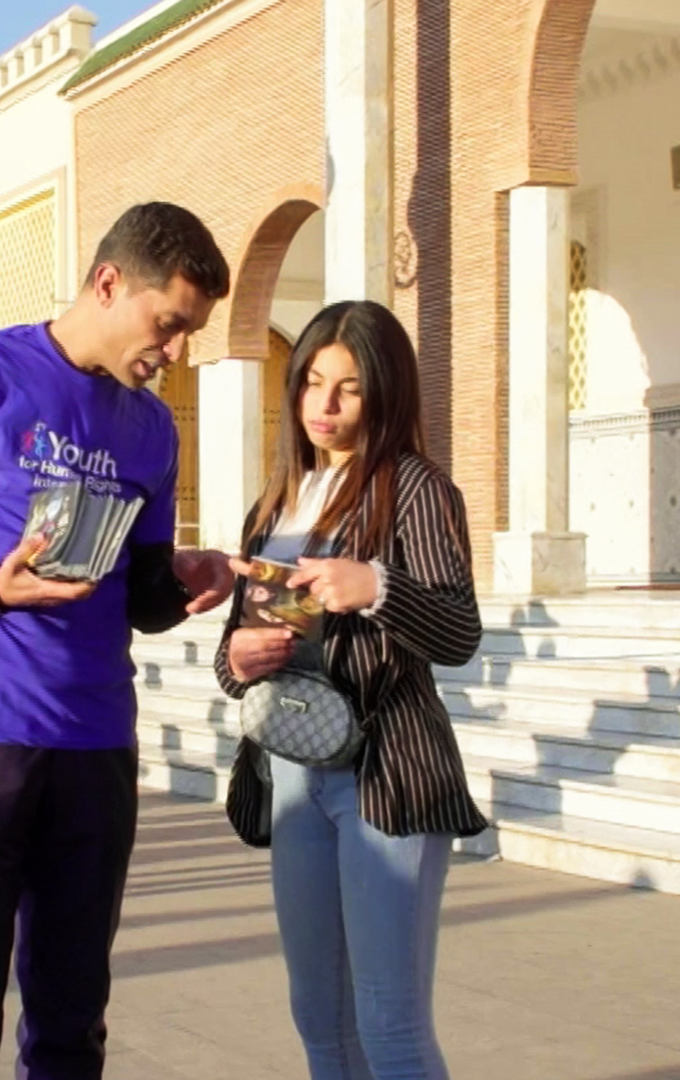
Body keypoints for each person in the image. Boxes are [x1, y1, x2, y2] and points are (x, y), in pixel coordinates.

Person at [0, 201, 238, 1079]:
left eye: (189, 332)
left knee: (71, 1023)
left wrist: (187, 580)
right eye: (168, 324)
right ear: (108, 283)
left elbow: (140, 595)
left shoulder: (151, 428)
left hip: (95, 748)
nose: (176, 351)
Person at [213, 301, 487, 1080]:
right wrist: (240, 658)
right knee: (320, 1018)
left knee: (389, 1023)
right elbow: (233, 659)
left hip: (384, 777)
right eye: (312, 382)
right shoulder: (275, 501)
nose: (324, 405)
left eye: (349, 388)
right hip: (291, 775)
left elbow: (459, 634)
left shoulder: (416, 488)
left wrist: (377, 587)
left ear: (384, 393)